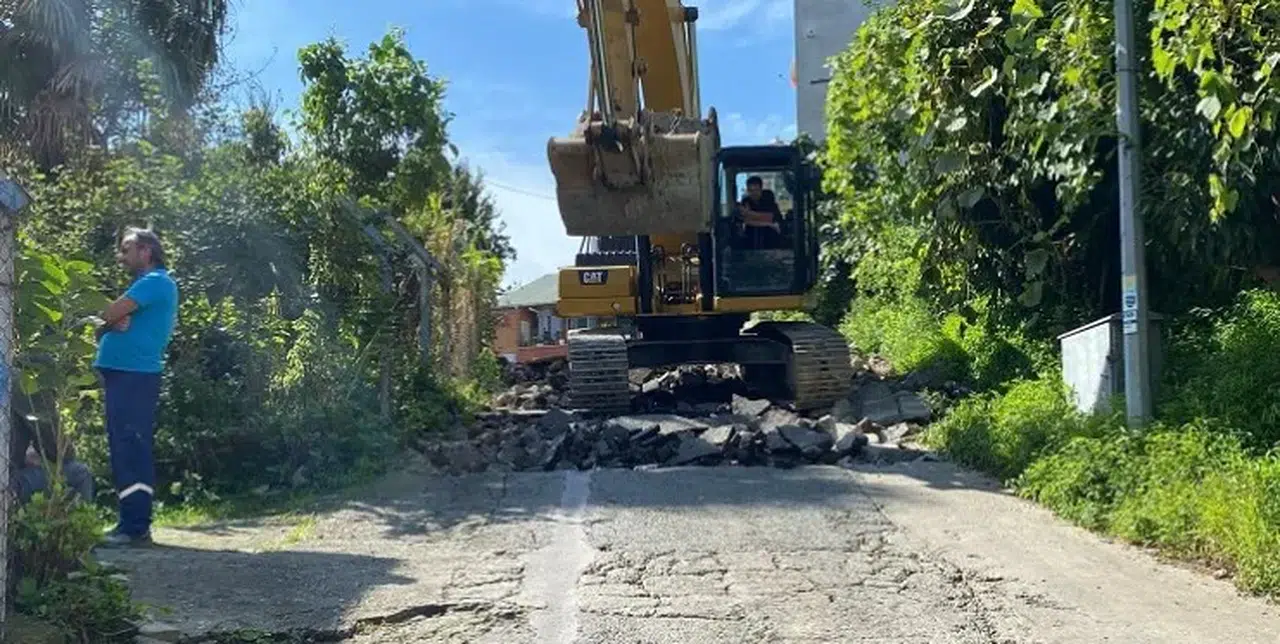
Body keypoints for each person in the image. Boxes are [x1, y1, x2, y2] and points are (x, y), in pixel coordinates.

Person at [93, 228, 179, 548]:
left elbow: (110, 313)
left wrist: (110, 320)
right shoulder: (143, 285)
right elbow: (115, 317)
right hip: (125, 376)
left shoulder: (155, 282)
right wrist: (113, 322)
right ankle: (130, 522)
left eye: (127, 249)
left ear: (146, 251)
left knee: (131, 446)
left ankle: (135, 526)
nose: (122, 255)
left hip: (135, 375)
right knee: (123, 446)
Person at [9, 381, 95, 505]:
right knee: (80, 473)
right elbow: (60, 451)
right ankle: (71, 522)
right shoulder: (26, 383)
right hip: (8, 481)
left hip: (9, 471)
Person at [734, 175, 784, 249]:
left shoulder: (770, 202)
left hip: (770, 241)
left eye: (756, 190)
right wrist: (768, 224)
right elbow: (745, 221)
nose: (754, 193)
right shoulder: (746, 202)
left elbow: (771, 218)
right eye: (751, 190)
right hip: (750, 241)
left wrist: (750, 214)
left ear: (761, 189)